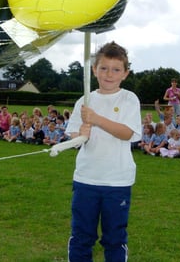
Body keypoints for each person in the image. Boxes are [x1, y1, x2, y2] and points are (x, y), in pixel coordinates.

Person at [65, 41, 141, 262]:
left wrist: (97, 119)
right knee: (81, 236)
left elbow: (128, 133)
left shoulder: (129, 99)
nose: (109, 74)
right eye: (104, 68)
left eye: (116, 69)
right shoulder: (85, 101)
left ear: (125, 73)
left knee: (114, 238)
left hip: (117, 182)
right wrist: (81, 132)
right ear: (94, 70)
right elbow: (74, 139)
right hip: (86, 179)